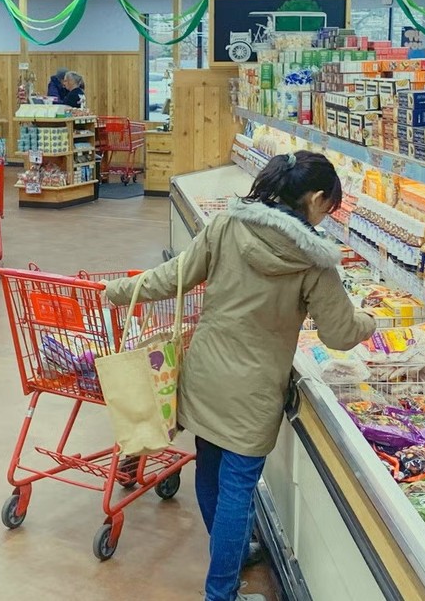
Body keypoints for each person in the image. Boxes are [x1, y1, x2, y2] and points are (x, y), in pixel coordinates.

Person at [103, 151, 375, 601]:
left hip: (205, 375)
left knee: (210, 473)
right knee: (237, 491)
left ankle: (227, 555)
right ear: (315, 199)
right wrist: (369, 320)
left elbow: (173, 277)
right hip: (254, 394)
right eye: (329, 206)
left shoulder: (228, 225)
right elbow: (341, 333)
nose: (327, 215)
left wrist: (117, 291)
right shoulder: (315, 262)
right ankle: (221, 592)